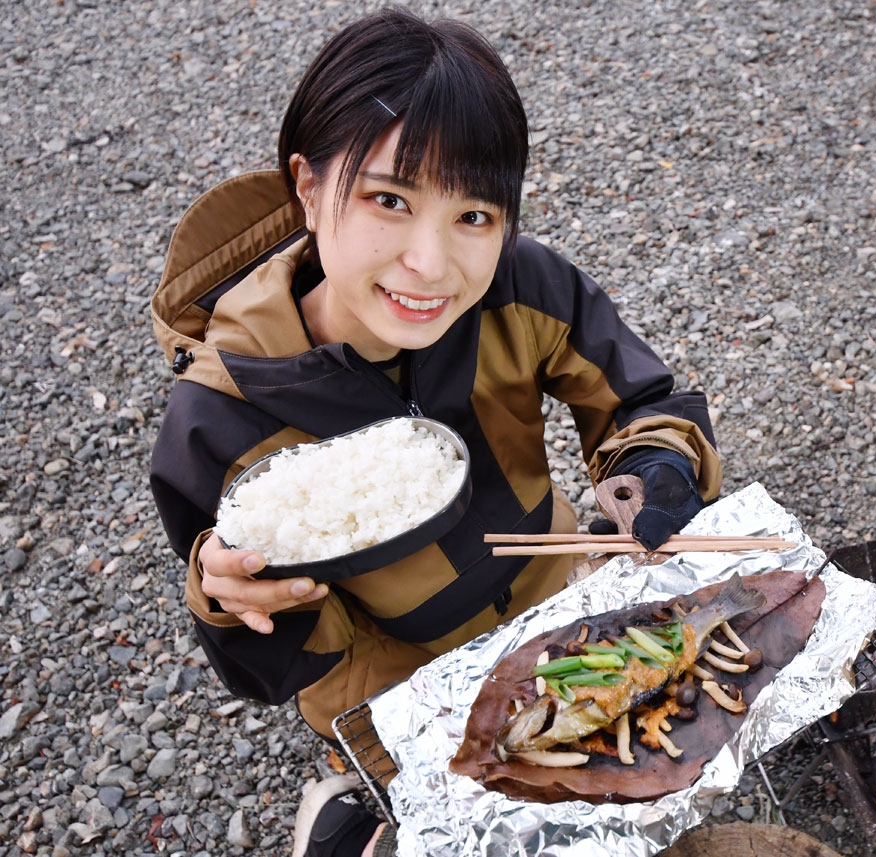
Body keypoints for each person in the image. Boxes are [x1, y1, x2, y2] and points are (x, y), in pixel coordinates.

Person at [149, 8, 721, 856]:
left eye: (474, 215)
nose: (430, 262)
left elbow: (641, 398)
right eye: (389, 198)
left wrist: (656, 471)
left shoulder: (522, 285)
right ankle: (348, 813)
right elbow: (279, 665)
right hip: (398, 685)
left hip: (556, 599)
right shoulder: (221, 420)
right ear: (308, 185)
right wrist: (231, 603)